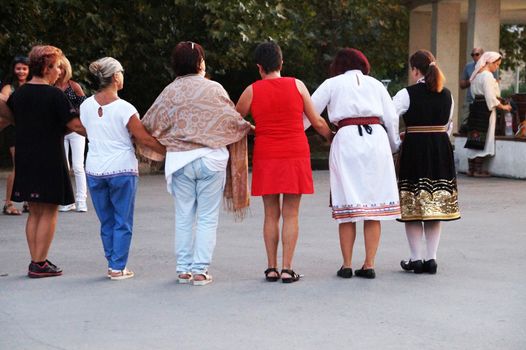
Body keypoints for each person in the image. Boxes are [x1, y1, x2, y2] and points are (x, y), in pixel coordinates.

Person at [140, 41, 252, 286]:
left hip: (179, 161)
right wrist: (252, 129)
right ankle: (200, 271)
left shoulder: (169, 91)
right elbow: (232, 121)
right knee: (207, 217)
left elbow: (147, 124)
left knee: (183, 216)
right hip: (211, 160)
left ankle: (183, 270)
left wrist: (166, 148)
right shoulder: (214, 89)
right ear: (200, 63)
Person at [235, 41, 333, 283]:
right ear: (281, 63)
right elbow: (317, 122)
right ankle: (288, 268)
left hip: (266, 153)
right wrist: (333, 138)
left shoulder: (252, 91)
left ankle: (271, 268)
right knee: (291, 214)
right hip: (294, 152)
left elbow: (233, 121)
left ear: (259, 67)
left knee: (270, 213)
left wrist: (251, 128)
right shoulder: (297, 86)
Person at [311, 48, 401, 279]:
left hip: (347, 138)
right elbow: (391, 117)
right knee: (373, 205)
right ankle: (369, 264)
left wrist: (326, 133)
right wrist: (393, 145)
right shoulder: (377, 85)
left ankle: (347, 264)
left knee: (347, 204)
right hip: (376, 140)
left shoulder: (332, 83)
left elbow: (309, 111)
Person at [80, 57, 165, 280]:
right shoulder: (125, 108)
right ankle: (117, 267)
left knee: (106, 220)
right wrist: (169, 150)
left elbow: (89, 131)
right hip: (121, 169)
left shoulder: (85, 105)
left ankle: (112, 262)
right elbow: (144, 139)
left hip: (95, 169)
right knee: (122, 220)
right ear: (116, 77)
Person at [5, 45, 86, 278]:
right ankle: (39, 263)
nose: (60, 72)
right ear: (47, 67)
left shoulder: (19, 94)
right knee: (49, 211)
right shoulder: (55, 95)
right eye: (58, 67)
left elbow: (9, 115)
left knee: (35, 212)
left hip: (26, 156)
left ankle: (35, 260)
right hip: (49, 156)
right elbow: (75, 125)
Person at [393, 50, 461, 275]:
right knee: (434, 206)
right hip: (440, 149)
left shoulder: (406, 93)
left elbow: (389, 116)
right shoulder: (447, 94)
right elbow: (448, 125)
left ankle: (416, 258)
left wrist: (396, 141)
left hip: (416, 149)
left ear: (415, 70)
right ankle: (431, 258)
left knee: (413, 205)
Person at [464, 52, 512, 177]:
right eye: (496, 64)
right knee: (484, 137)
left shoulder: (476, 75)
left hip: (475, 109)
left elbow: (475, 94)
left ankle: (471, 169)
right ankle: (478, 170)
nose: (497, 67)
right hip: (485, 110)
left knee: (475, 136)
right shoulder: (487, 76)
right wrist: (503, 106)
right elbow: (490, 98)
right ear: (489, 62)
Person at [54, 55, 88, 212]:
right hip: (58, 131)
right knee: (63, 166)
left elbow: (85, 107)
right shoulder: (50, 87)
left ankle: (82, 200)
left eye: (62, 68)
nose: (59, 71)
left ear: (66, 69)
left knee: (78, 166)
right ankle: (67, 200)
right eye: (57, 67)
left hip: (75, 130)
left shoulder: (74, 86)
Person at [0, 55, 31, 215]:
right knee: (18, 166)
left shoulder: (31, 84)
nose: (21, 71)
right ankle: (8, 203)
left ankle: (27, 201)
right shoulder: (9, 87)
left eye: (24, 68)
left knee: (29, 166)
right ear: (13, 69)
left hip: (28, 129)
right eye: (18, 68)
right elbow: (4, 105)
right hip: (13, 129)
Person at [459, 48, 484, 134]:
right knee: (464, 123)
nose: (474, 56)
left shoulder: (488, 66)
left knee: (479, 126)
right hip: (470, 100)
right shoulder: (468, 66)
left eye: (476, 54)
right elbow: (461, 84)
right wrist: (470, 81)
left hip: (482, 101)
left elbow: (495, 82)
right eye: (472, 55)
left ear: (482, 55)